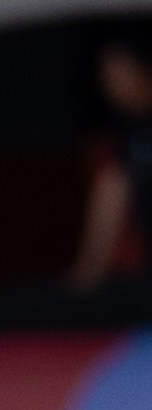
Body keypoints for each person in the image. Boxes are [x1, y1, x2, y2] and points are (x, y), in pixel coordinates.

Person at [69, 23, 152, 289]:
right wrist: (90, 268)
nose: (112, 87)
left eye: (119, 74)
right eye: (105, 77)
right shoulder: (129, 130)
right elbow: (112, 190)